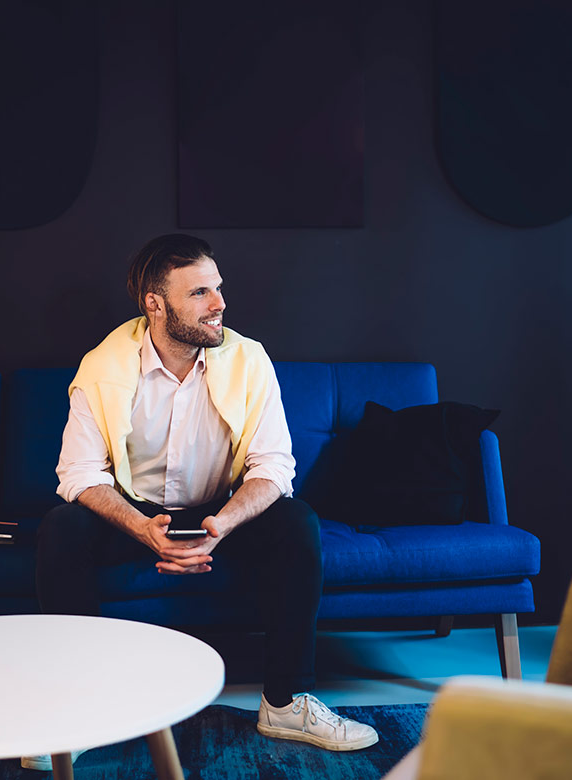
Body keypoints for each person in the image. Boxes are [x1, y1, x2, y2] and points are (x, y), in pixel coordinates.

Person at [25, 234, 377, 771]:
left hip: (219, 510)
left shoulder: (248, 359)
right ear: (155, 303)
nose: (219, 304)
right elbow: (78, 473)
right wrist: (142, 530)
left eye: (218, 288)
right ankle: (78, 710)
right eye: (199, 293)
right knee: (61, 527)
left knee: (296, 521)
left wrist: (223, 525)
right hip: (135, 513)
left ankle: (286, 703)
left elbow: (274, 466)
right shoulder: (103, 367)